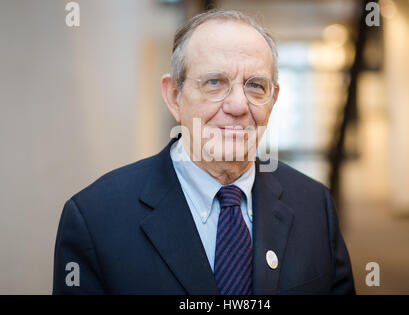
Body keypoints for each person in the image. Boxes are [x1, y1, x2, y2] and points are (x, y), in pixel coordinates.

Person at [53, 9, 355, 295]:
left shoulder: (314, 205)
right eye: (214, 82)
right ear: (174, 96)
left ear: (273, 99)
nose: (238, 106)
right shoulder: (95, 219)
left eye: (256, 86)